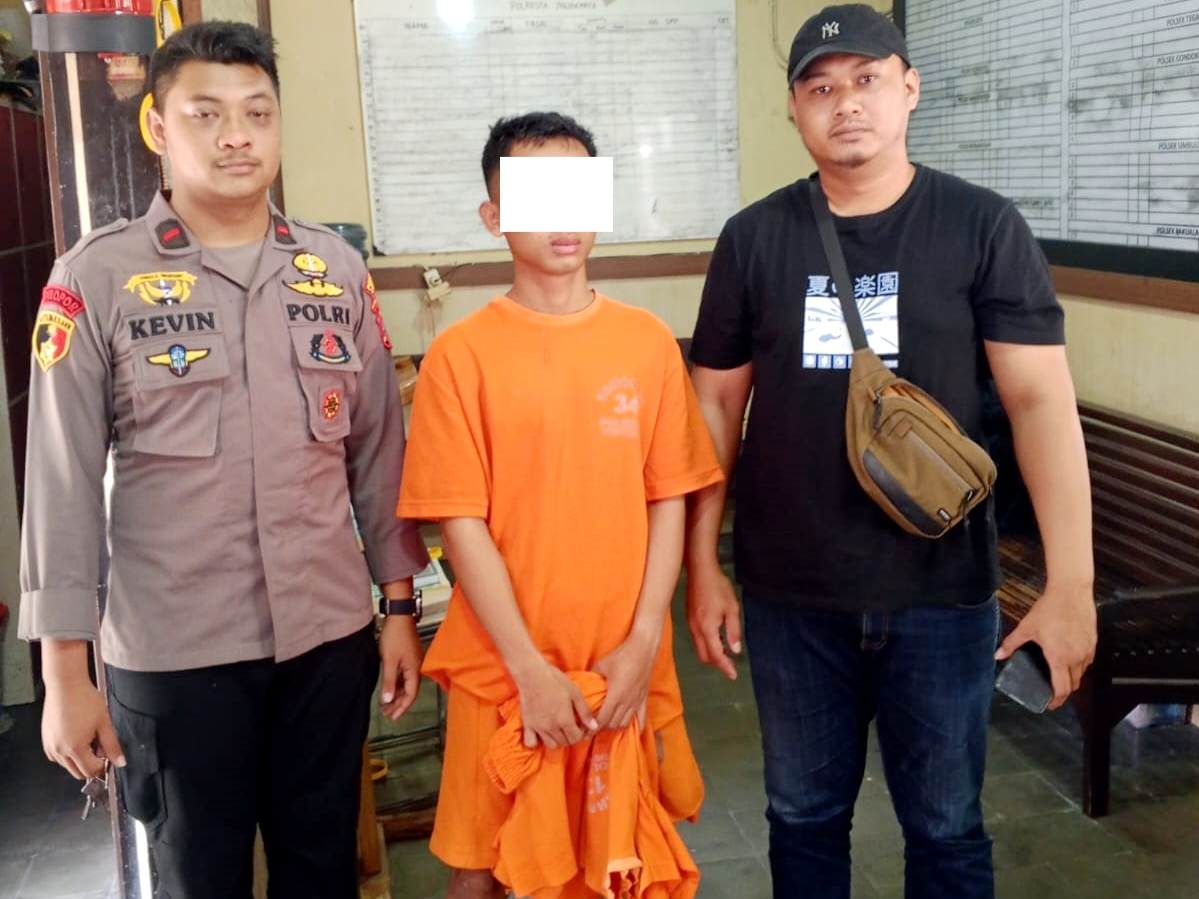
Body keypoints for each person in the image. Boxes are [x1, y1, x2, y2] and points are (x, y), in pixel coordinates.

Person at [683, 6, 1097, 898]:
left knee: (945, 828)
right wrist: (700, 563)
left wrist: (1071, 584)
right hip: (791, 593)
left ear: (909, 90)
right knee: (801, 818)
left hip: (941, 592)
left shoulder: (981, 226)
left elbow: (1038, 402)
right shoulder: (753, 238)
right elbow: (713, 405)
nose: (845, 103)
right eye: (819, 87)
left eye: (866, 79)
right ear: (793, 109)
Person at [18, 21, 428, 898]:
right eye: (205, 114)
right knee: (197, 879)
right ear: (158, 127)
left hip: (326, 640)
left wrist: (398, 607)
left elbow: (377, 454)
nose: (236, 135)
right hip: (176, 656)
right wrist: (63, 673)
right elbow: (59, 485)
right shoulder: (95, 278)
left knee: (323, 870)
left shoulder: (333, 269)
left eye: (256, 112)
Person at [398, 112, 723, 899]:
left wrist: (643, 640)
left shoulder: (645, 342)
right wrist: (527, 669)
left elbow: (668, 498)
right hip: (503, 664)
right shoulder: (460, 356)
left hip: (621, 660)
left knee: (617, 855)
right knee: (480, 862)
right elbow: (459, 522)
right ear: (493, 216)